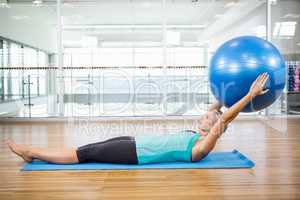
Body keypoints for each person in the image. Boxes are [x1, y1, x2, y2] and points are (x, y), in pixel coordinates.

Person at [6, 73, 269, 165]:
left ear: (215, 127)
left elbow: (226, 118)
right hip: (134, 142)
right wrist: (228, 89)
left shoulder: (203, 146)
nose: (204, 114)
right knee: (92, 149)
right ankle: (34, 153)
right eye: (205, 113)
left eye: (209, 117)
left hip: (135, 153)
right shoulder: (196, 134)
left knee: (85, 153)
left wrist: (248, 95)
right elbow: (219, 108)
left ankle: (31, 152)